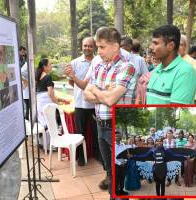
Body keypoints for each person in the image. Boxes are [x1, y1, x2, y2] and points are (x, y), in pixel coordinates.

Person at [84, 27, 137, 199]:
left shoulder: (127, 67)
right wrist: (102, 93)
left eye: (101, 47)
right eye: (97, 46)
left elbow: (110, 99)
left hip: (115, 128)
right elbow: (86, 94)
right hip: (100, 124)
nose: (97, 51)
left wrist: (96, 90)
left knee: (118, 171)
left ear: (115, 46)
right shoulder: (99, 66)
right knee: (109, 171)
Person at [64, 37, 100, 166]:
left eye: (90, 46)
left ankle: (98, 155)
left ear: (94, 47)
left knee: (97, 132)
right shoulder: (75, 62)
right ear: (81, 46)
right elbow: (70, 81)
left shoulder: (99, 61)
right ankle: (81, 157)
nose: (87, 48)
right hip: (80, 102)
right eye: (85, 46)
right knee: (80, 132)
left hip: (96, 103)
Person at [146, 25, 196, 104]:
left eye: (155, 43)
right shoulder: (157, 70)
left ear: (170, 46)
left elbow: (176, 109)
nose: (151, 47)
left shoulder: (185, 71)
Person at [36, 58, 67, 148]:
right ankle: (51, 145)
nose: (51, 66)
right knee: (50, 122)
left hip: (39, 101)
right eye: (50, 65)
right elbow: (50, 93)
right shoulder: (48, 77)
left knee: (43, 122)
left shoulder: (37, 76)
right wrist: (57, 103)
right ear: (45, 67)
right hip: (46, 102)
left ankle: (42, 143)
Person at [179, 35, 196, 102]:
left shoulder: (192, 63)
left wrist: (195, 99)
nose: (178, 47)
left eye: (181, 45)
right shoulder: (169, 62)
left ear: (185, 47)